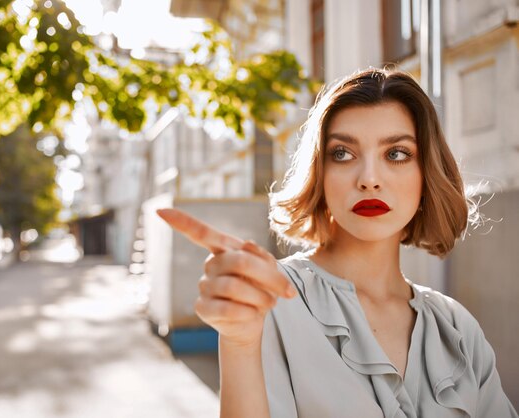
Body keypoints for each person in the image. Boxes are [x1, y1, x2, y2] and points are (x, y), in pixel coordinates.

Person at [157, 68, 518, 418]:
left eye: (396, 154)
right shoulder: (269, 300)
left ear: (426, 174)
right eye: (343, 154)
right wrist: (239, 342)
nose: (369, 179)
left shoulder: (456, 328)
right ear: (320, 174)